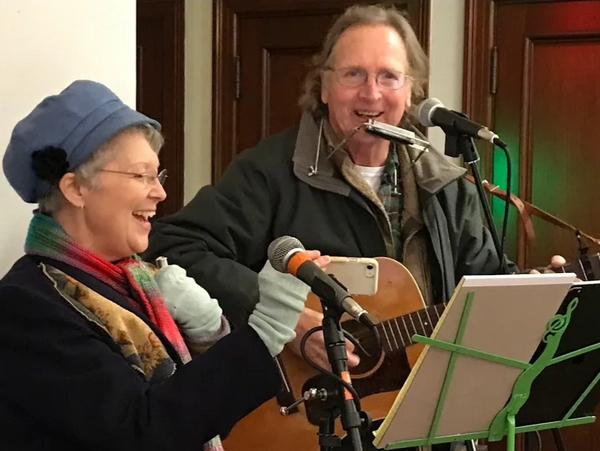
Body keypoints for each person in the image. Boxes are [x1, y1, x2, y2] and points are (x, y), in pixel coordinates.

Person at [0, 80, 327, 451]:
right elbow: (141, 433)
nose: (160, 192)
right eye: (141, 175)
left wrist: (208, 335)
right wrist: (265, 331)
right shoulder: (25, 307)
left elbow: (200, 422)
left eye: (158, 175)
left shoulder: (136, 283)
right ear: (76, 189)